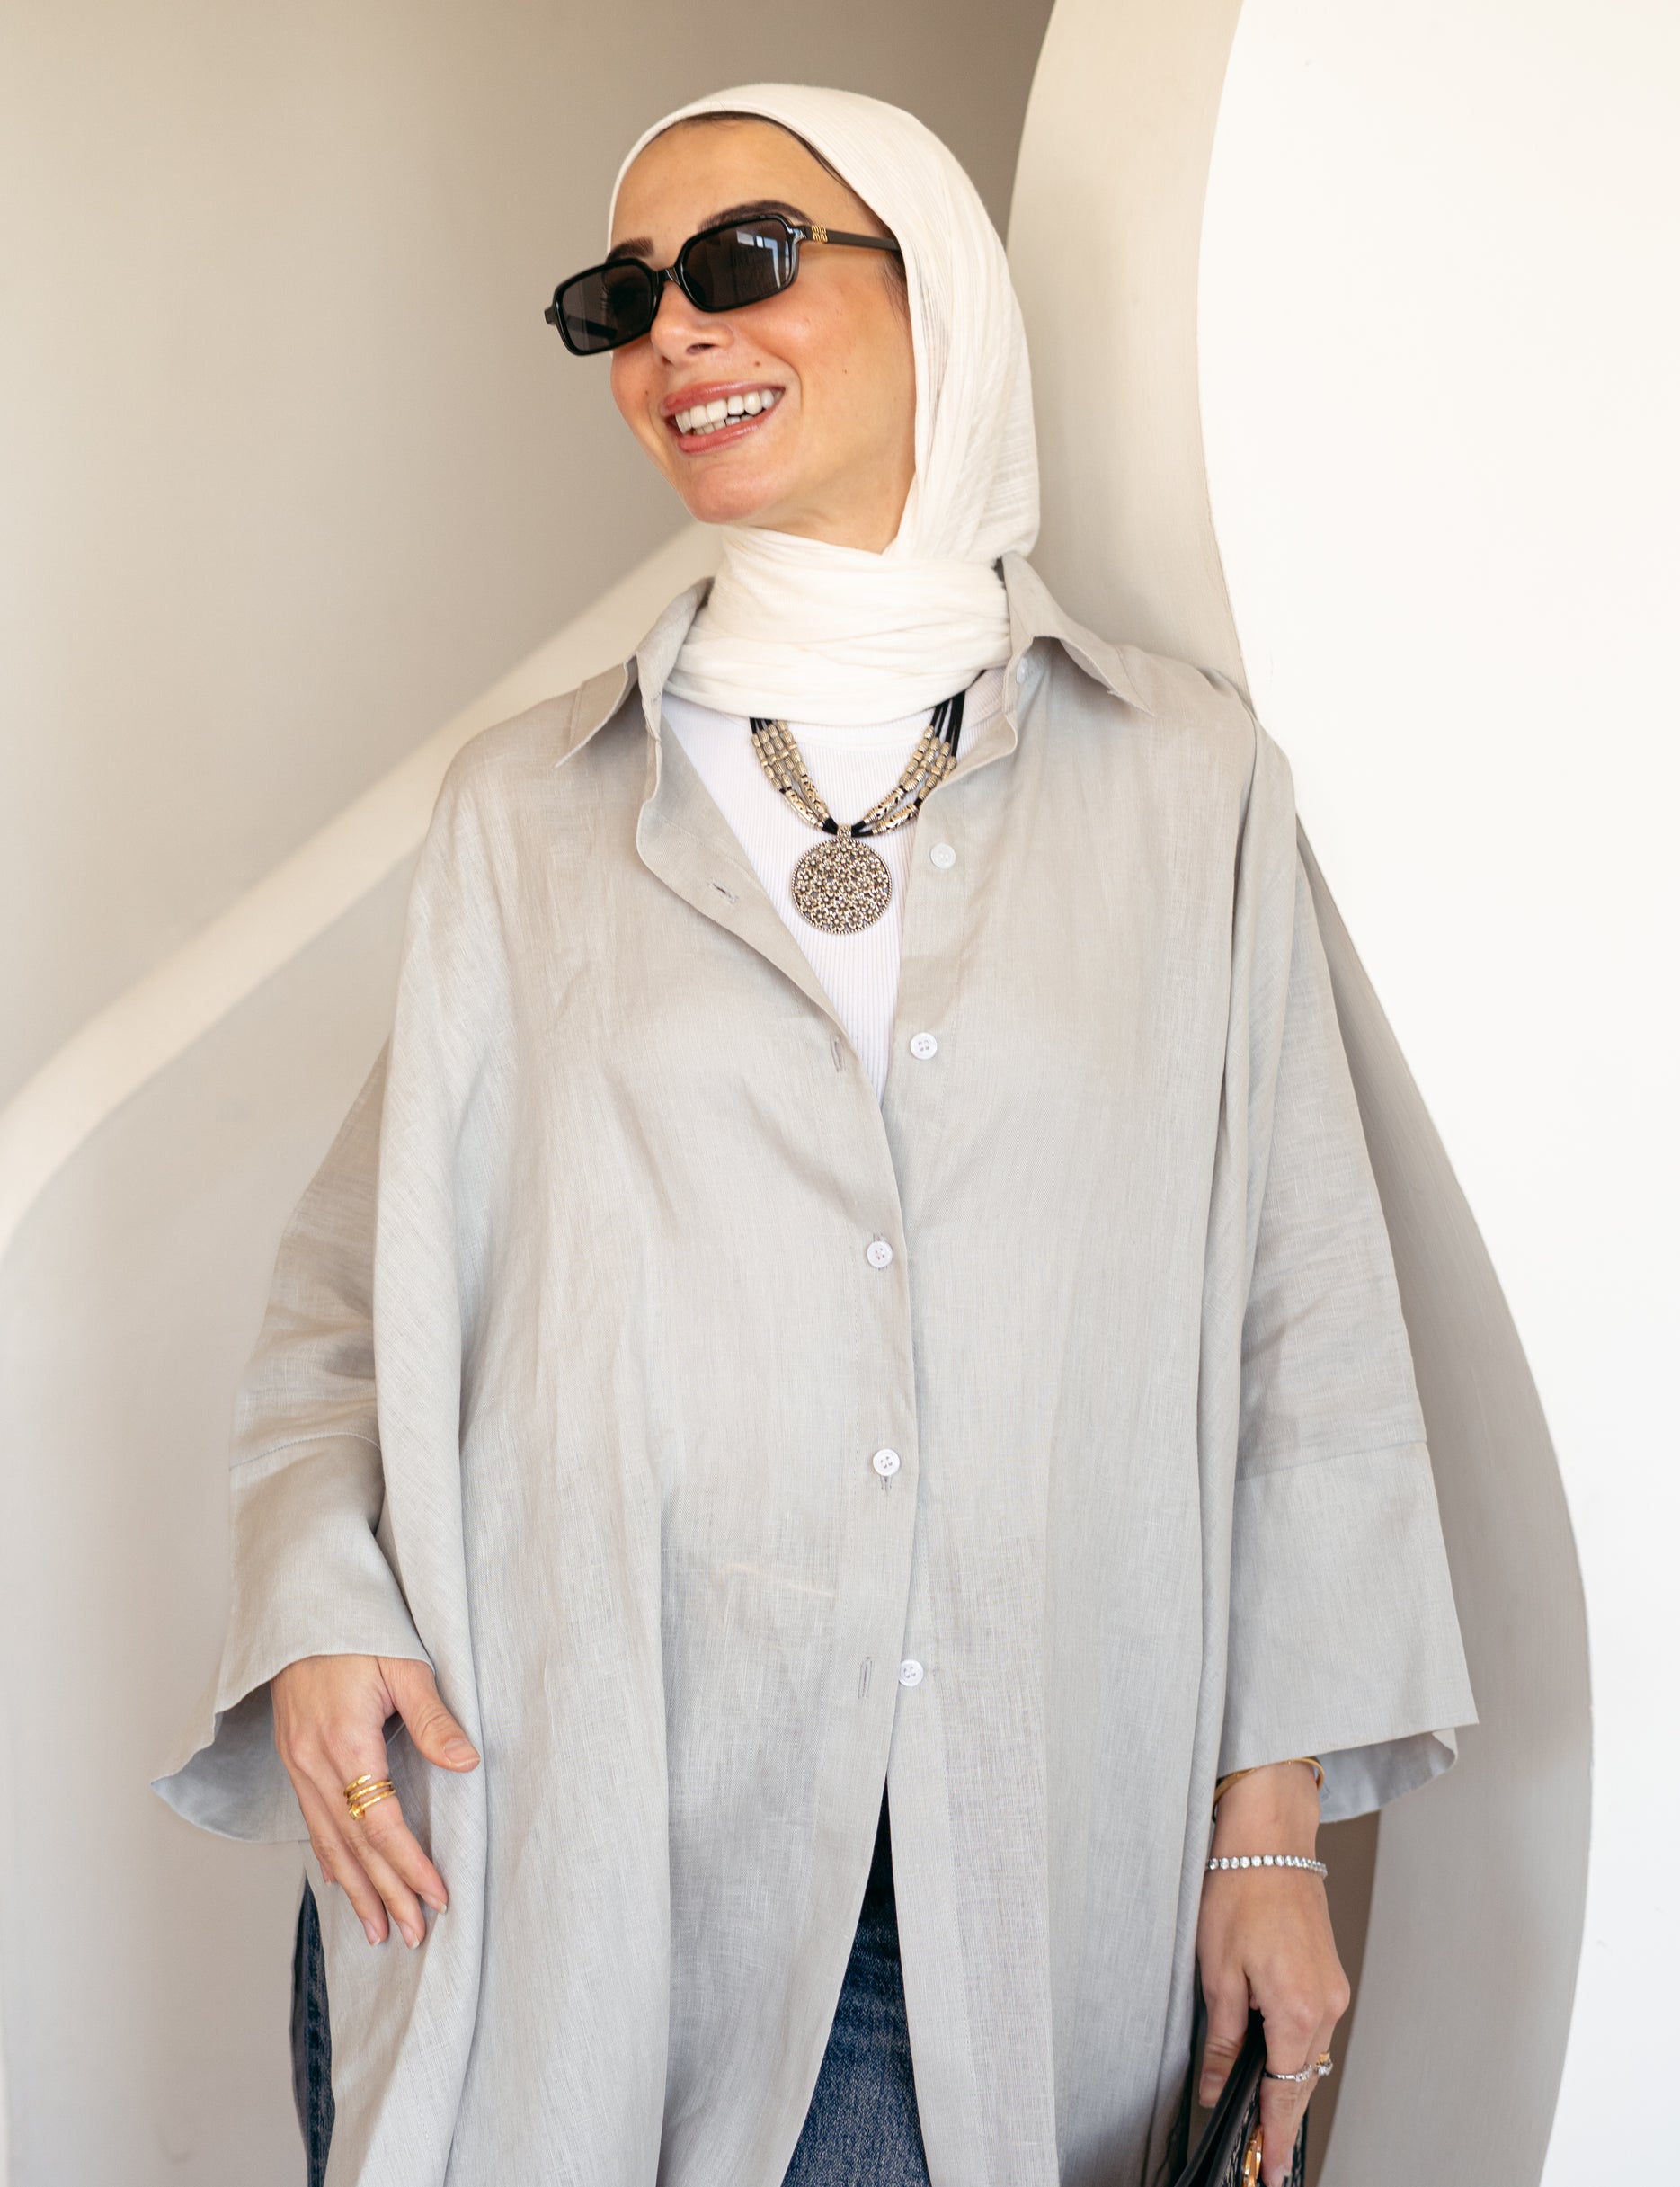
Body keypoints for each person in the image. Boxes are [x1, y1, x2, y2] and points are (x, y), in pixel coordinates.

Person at [155, 83, 1475, 2187]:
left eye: (742, 260)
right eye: (621, 298)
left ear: (934, 285)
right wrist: (321, 1604)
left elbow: (1296, 1329)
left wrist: (1270, 1833)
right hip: (544, 1840)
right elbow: (352, 1285)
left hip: (978, 1876)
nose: (672, 331)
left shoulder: (1185, 787)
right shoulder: (531, 809)